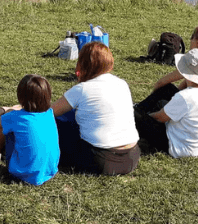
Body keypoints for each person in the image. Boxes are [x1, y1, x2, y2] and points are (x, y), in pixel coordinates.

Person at [50, 42, 140, 176]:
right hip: (132, 157)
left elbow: (47, 113)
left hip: (100, 160)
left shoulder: (82, 89)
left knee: (54, 124)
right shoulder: (122, 84)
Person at [136, 25, 198, 136]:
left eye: (192, 37)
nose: (190, 41)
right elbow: (182, 88)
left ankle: (138, 110)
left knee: (166, 89)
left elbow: (161, 83)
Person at [135, 49, 198, 158]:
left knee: (132, 113)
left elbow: (160, 118)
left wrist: (143, 118)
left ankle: (135, 113)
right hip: (197, 147)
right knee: (168, 89)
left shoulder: (186, 97)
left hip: (176, 146)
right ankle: (139, 109)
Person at [0, 75, 60, 186]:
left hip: (21, 175)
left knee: (6, 124)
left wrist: (2, 109)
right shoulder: (49, 114)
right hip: (49, 171)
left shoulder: (15, 117)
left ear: (21, 96)